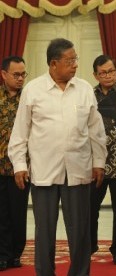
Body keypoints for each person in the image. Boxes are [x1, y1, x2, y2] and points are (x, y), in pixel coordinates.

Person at [8, 38, 107, 276]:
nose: (75, 65)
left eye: (75, 60)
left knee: (80, 230)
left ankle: (80, 273)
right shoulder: (33, 89)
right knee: (44, 230)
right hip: (44, 170)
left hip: (79, 169)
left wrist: (99, 163)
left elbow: (96, 131)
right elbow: (21, 131)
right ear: (54, 63)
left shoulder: (83, 89)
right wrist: (20, 165)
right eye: (69, 60)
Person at [90, 55, 116, 265]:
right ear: (96, 75)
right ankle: (90, 245)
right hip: (94, 163)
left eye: (111, 71)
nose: (108, 76)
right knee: (90, 206)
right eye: (103, 72)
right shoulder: (88, 95)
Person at [0, 56, 29, 271]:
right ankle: (3, 254)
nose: (20, 79)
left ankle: (16, 253)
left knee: (18, 213)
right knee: (1, 214)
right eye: (16, 74)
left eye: (23, 74)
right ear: (4, 74)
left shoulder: (28, 99)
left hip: (21, 168)